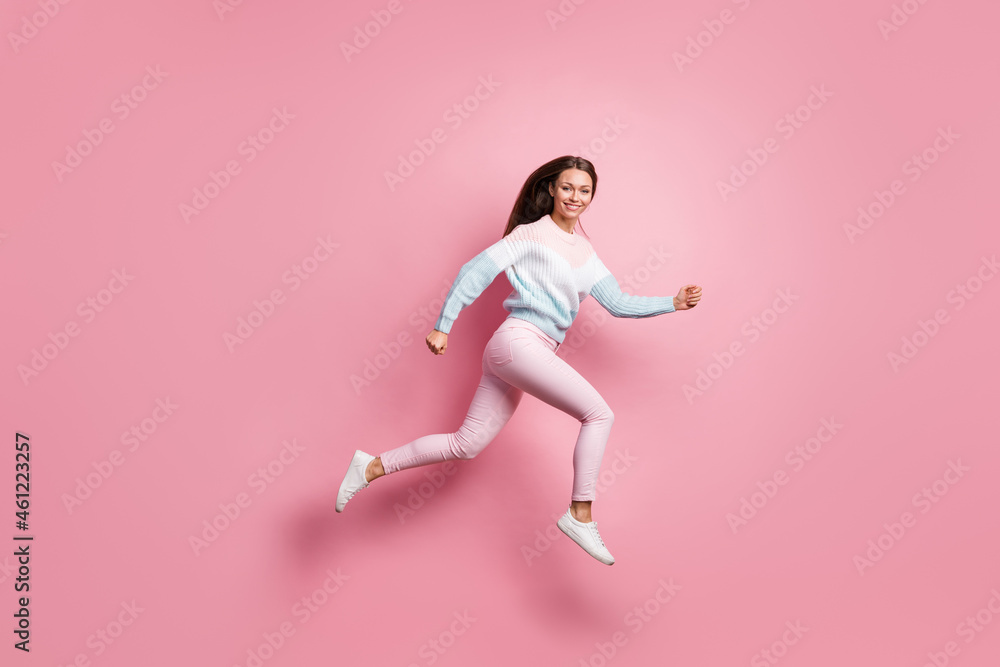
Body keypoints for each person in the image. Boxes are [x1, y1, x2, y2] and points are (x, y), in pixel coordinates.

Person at [336, 155, 702, 565]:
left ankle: (369, 467)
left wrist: (672, 303)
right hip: (519, 341)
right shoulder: (529, 236)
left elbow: (618, 302)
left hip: (524, 351)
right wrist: (443, 326)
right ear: (551, 189)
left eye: (584, 190)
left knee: (465, 444)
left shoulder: (585, 251)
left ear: (592, 196)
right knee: (599, 415)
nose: (575, 197)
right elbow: (474, 271)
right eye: (567, 187)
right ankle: (580, 514)